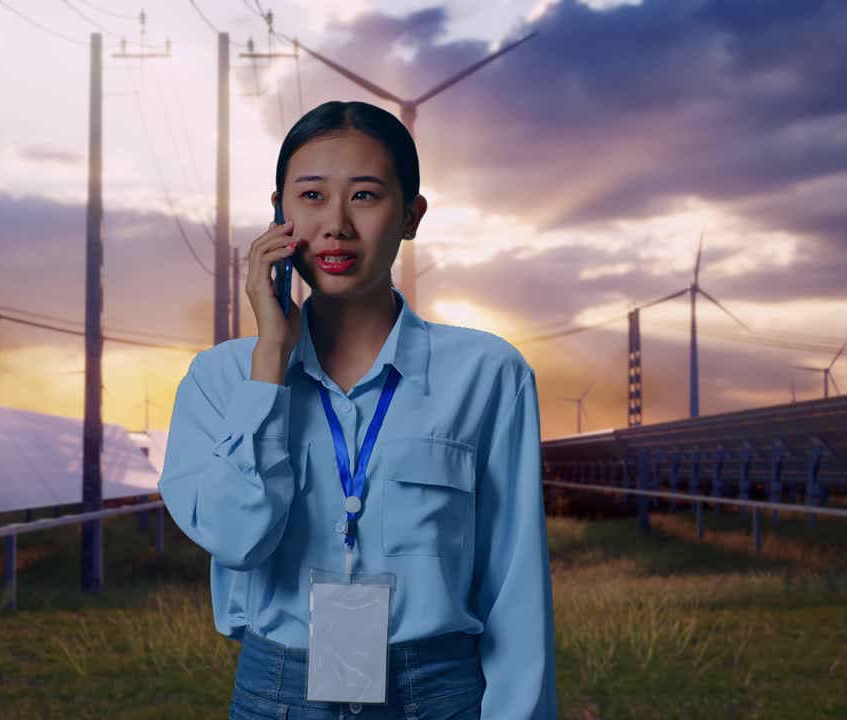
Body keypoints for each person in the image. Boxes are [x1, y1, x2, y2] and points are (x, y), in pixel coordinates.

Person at [159, 100, 556, 719]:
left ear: (411, 215)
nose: (336, 226)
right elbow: (235, 538)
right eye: (311, 196)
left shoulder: (488, 374)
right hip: (279, 693)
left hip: (439, 693)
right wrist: (270, 361)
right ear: (279, 213)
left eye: (365, 196)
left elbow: (516, 586)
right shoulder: (222, 379)